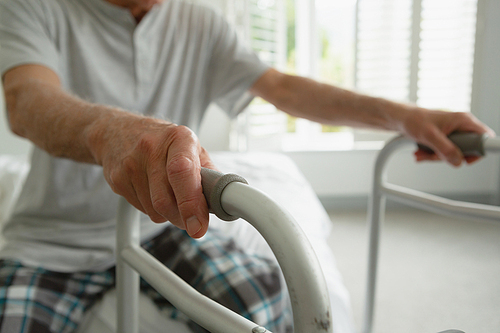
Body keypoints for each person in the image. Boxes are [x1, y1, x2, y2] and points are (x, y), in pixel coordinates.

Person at [0, 0, 494, 332]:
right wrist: (112, 133)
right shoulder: (34, 9)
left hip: (161, 227)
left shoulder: (197, 21)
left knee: (273, 301)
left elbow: (280, 87)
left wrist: (408, 118)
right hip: (53, 241)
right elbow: (27, 102)